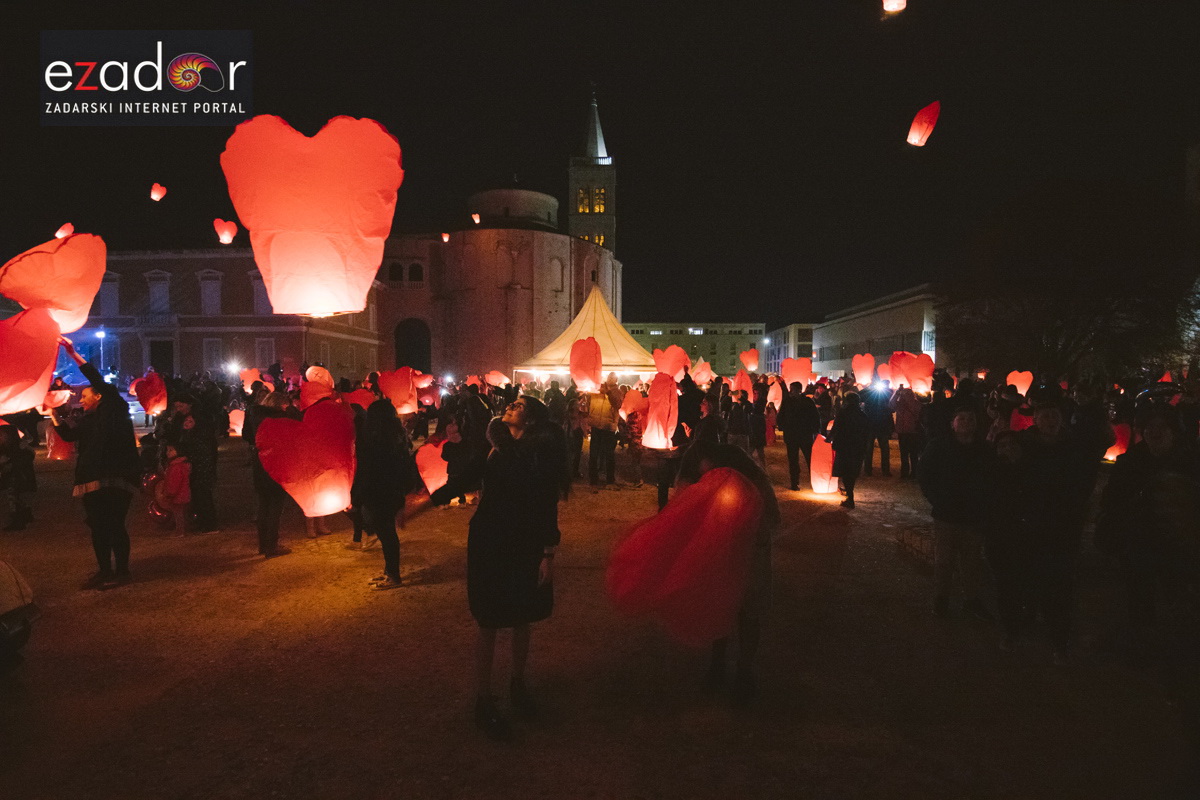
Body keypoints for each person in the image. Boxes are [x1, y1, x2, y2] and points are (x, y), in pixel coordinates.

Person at [468, 396, 566, 739]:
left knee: (523, 616)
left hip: (523, 541)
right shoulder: (494, 445)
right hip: (489, 539)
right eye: (512, 402)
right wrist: (425, 502)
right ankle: (483, 699)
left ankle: (517, 683)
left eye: (521, 404)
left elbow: (546, 505)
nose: (512, 404)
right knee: (489, 620)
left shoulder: (538, 454)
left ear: (533, 420)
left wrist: (547, 552)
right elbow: (468, 476)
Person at [678, 440, 779, 705]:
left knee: (743, 612)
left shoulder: (748, 484)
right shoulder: (738, 479)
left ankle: (739, 670)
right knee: (726, 609)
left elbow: (772, 515)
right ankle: (723, 666)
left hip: (748, 552)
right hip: (731, 552)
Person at [1096, 406, 1200, 659]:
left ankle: (1181, 648)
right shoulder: (1129, 464)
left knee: (1178, 596)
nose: (1155, 433)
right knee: (1140, 596)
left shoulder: (1190, 463)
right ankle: (1145, 644)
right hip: (1139, 543)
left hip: (1178, 542)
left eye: (1161, 428)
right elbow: (1112, 504)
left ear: (1173, 432)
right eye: (1150, 428)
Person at [49, 337, 141, 589]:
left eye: (86, 396)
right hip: (92, 479)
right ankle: (105, 571)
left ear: (100, 396)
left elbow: (98, 380)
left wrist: (73, 353)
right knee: (98, 527)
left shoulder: (114, 408)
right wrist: (52, 414)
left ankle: (122, 571)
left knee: (114, 524)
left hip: (116, 476)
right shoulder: (90, 421)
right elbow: (68, 435)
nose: (81, 400)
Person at [918, 406, 992, 620]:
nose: (967, 422)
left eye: (971, 418)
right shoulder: (939, 446)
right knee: (944, 561)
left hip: (974, 515)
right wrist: (936, 499)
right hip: (946, 514)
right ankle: (941, 599)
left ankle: (971, 600)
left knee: (972, 561)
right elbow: (924, 475)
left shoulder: (984, 449)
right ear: (953, 423)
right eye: (962, 418)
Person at [354, 399, 419, 589]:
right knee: (387, 532)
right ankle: (389, 572)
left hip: (376, 492)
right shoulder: (397, 437)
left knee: (386, 534)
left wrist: (358, 496)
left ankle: (393, 575)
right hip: (392, 491)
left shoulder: (371, 440)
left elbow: (366, 470)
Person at [244, 392, 295, 558]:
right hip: (276, 463)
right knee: (275, 507)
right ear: (280, 405)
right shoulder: (280, 419)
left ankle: (263, 545)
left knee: (263, 505)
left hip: (259, 463)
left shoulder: (255, 417)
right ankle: (272, 546)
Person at [776, 382, 820, 490]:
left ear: (799, 390)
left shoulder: (807, 401)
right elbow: (781, 415)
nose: (791, 392)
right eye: (790, 389)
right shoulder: (788, 402)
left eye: (793, 390)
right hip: (792, 435)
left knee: (809, 458)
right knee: (793, 460)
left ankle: (817, 482)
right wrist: (782, 426)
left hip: (804, 434)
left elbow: (815, 416)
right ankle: (794, 482)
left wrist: (815, 430)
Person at [830, 392, 869, 509]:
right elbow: (866, 432)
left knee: (846, 472)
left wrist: (829, 438)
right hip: (857, 447)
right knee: (852, 472)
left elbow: (836, 427)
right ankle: (849, 494)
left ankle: (850, 497)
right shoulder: (862, 415)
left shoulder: (843, 413)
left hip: (845, 446)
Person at [0, 424, 36, 531]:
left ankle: (18, 521)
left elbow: (26, 460)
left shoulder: (20, 447)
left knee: (13, 497)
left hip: (19, 477)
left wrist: (8, 462)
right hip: (11, 477)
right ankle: (25, 514)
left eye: (2, 435)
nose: (0, 437)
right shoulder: (4, 447)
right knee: (15, 497)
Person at [862, 381, 895, 477]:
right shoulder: (870, 395)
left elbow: (892, 408)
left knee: (876, 449)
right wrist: (869, 388)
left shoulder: (887, 394)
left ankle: (878, 470)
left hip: (876, 425)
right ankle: (873, 469)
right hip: (876, 425)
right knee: (874, 449)